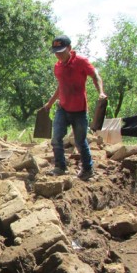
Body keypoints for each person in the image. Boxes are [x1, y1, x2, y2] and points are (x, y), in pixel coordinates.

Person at [43, 35, 107, 180]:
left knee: (80, 141)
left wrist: (101, 92)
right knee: (56, 139)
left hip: (79, 110)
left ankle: (87, 169)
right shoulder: (58, 67)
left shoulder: (81, 62)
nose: (58, 55)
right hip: (63, 109)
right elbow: (61, 86)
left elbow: (95, 75)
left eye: (61, 51)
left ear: (70, 49)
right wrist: (50, 103)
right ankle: (60, 167)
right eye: (56, 52)